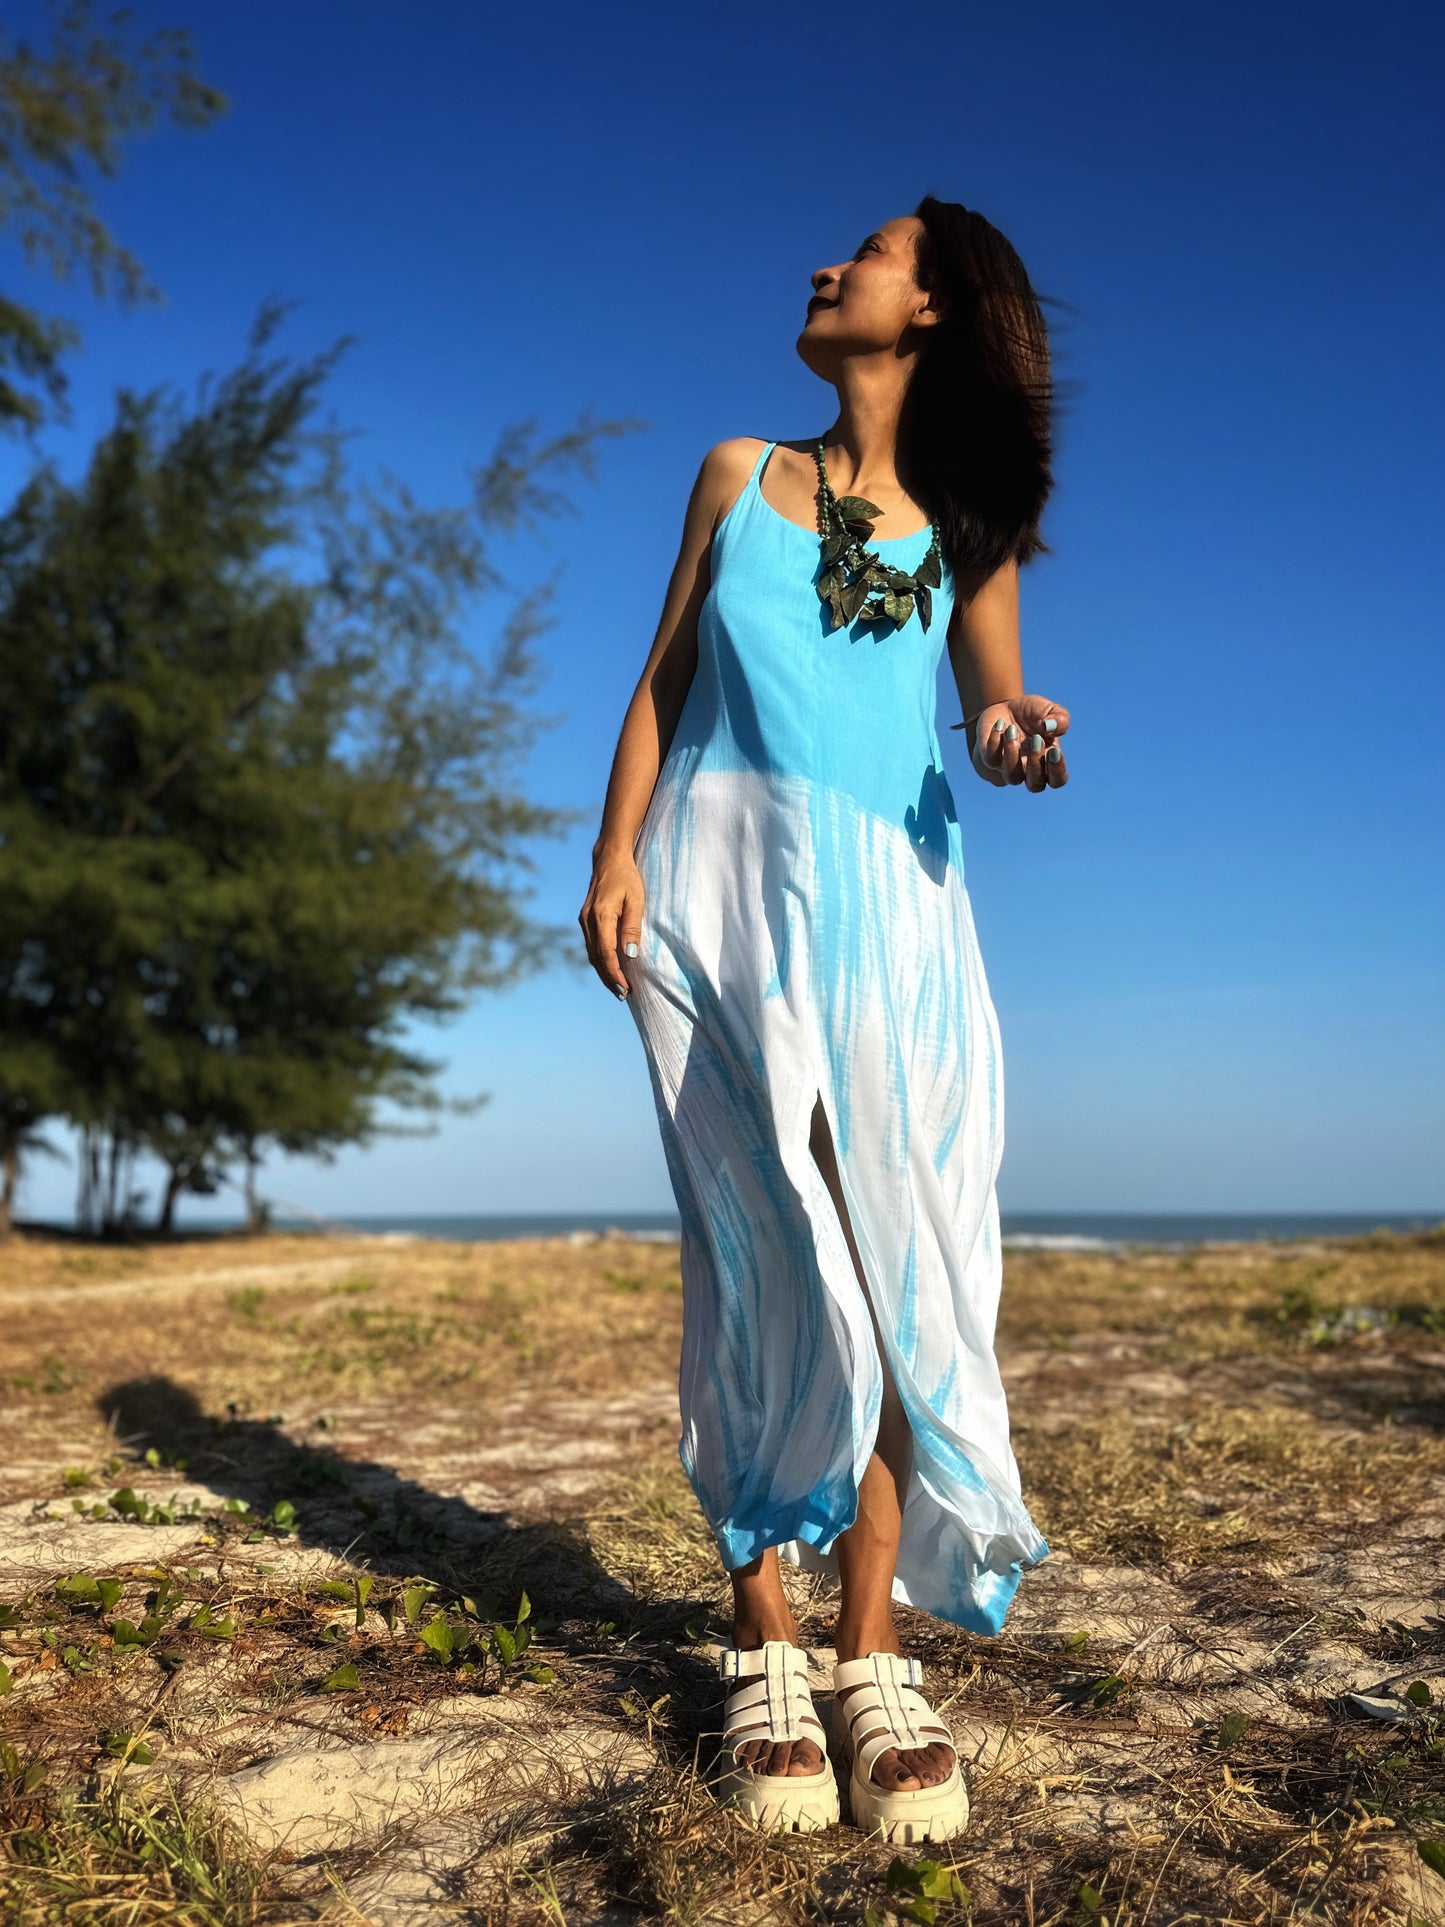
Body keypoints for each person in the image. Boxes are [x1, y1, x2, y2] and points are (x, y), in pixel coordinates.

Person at [579, 196, 1069, 1844]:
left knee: (890, 1256)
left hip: (893, 919)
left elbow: (988, 703)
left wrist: (1009, 730)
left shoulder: (966, 525)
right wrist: (611, 858)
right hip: (722, 895)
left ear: (928, 311)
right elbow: (661, 682)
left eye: (864, 252)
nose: (823, 263)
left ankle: (869, 1652)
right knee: (755, 1240)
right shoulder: (737, 472)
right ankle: (759, 1641)